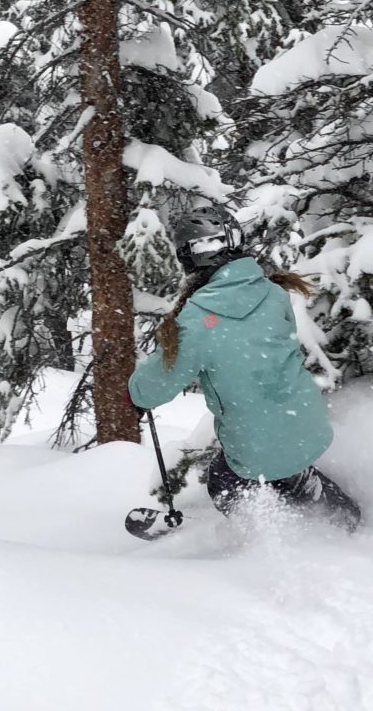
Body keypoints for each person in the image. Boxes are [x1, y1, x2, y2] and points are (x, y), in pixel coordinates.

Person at [128, 225, 360, 532]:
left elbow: (158, 383)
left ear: (189, 261)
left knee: (225, 478)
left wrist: (136, 395)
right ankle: (330, 507)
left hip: (258, 443)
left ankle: (271, 538)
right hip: (309, 424)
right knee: (275, 457)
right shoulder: (274, 293)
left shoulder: (197, 319)